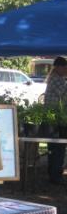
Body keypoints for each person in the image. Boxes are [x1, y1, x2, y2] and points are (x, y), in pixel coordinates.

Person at [44, 56, 67, 184]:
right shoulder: (57, 79)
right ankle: (55, 176)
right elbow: (62, 93)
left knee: (55, 148)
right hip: (55, 119)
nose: (66, 70)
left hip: (54, 118)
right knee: (58, 148)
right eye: (65, 67)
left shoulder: (57, 78)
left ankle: (54, 174)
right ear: (59, 67)